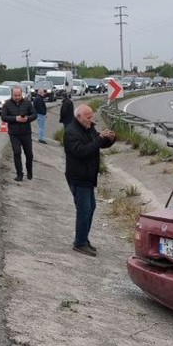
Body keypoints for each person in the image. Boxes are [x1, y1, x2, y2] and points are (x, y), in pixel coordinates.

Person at [64, 104, 116, 256]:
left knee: (90, 208)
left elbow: (98, 143)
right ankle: (79, 243)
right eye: (88, 117)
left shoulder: (89, 128)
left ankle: (83, 239)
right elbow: (82, 151)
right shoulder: (71, 132)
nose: (91, 120)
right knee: (84, 210)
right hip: (78, 177)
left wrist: (110, 139)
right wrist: (99, 139)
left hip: (88, 177)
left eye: (91, 116)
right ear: (79, 117)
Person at [1, 85, 36, 181]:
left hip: (26, 133)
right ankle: (19, 174)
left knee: (29, 154)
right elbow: (3, 117)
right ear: (12, 95)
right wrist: (15, 118)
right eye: (15, 95)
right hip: (14, 133)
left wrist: (27, 118)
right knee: (17, 153)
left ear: (21, 94)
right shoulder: (7, 104)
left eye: (19, 95)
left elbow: (34, 114)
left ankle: (29, 170)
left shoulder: (27, 103)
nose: (17, 97)